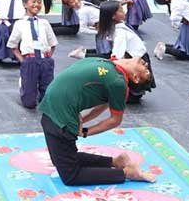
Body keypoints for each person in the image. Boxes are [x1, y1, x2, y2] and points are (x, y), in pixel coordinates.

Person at [38, 56, 155, 186]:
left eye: (147, 71)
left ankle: (127, 172)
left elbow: (115, 120)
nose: (147, 65)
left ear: (136, 78)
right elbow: (102, 106)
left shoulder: (118, 82)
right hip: (54, 108)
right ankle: (115, 162)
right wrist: (83, 119)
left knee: (71, 175)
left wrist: (85, 131)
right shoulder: (110, 64)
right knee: (60, 160)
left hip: (60, 117)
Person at [68, 1, 156, 103]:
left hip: (137, 59)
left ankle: (133, 92)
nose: (124, 11)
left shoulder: (118, 29)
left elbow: (114, 56)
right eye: (121, 10)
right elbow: (116, 56)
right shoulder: (119, 32)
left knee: (133, 93)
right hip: (133, 60)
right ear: (113, 16)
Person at [7, 0, 58, 109]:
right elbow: (12, 45)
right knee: (29, 102)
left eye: (39, 2)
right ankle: (25, 86)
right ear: (25, 4)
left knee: (47, 94)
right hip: (29, 60)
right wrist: (23, 60)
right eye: (33, 2)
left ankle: (42, 96)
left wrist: (48, 57)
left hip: (45, 60)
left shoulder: (44, 23)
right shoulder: (20, 24)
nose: (37, 5)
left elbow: (53, 42)